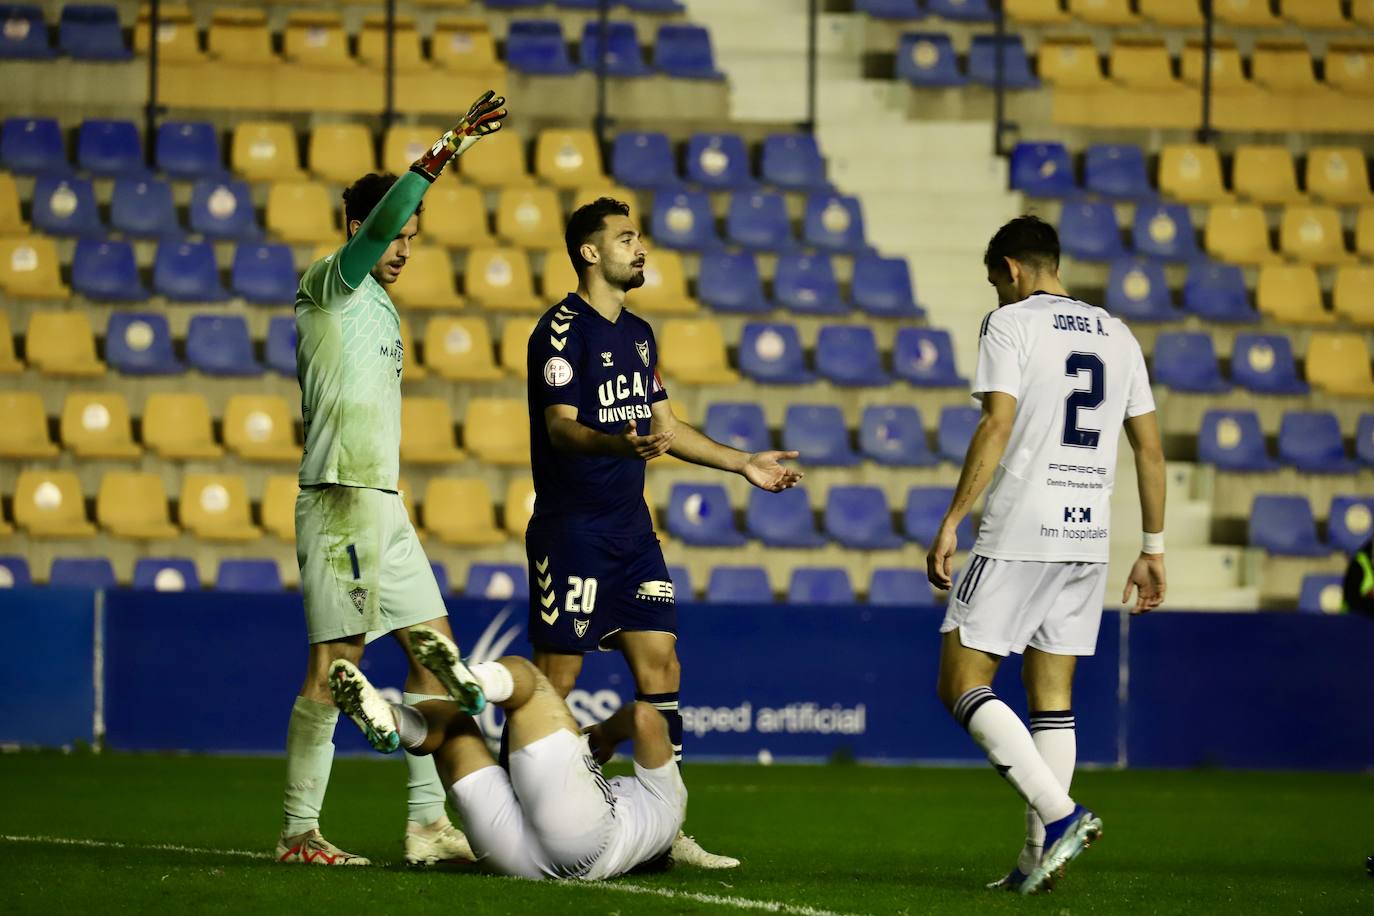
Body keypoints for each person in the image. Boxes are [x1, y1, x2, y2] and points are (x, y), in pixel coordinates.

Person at [523, 197, 803, 868]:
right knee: (553, 683)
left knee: (664, 667)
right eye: (625, 238)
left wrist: (742, 464)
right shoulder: (560, 330)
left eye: (639, 235)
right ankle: (530, 816)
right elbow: (561, 427)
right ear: (590, 253)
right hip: (572, 533)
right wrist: (618, 446)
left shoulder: (641, 335)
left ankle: (666, 827)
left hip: (630, 534)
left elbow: (665, 429)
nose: (640, 246)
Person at [276, 90, 508, 867]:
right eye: (394, 235)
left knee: (434, 651)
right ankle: (299, 832)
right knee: (334, 665)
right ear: (358, 231)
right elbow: (376, 228)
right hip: (339, 495)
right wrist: (448, 149)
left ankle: (426, 823)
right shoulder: (330, 284)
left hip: (383, 501)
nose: (403, 249)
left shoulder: (381, 305)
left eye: (413, 239)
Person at [925, 215, 1167, 896]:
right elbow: (1149, 448)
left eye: (996, 283)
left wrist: (952, 520)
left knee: (962, 681)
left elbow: (996, 421)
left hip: (1021, 529)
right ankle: (1038, 863)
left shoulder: (1011, 323)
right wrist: (1152, 547)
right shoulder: (1118, 334)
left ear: (1010, 268)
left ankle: (1060, 818)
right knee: (1052, 701)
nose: (998, 294)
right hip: (1088, 533)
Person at [328, 625, 687, 880]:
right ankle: (393, 722)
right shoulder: (653, 828)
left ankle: (474, 681)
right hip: (512, 859)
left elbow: (645, 718)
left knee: (527, 681)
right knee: (453, 726)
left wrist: (606, 737)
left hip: (586, 836)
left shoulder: (670, 801)